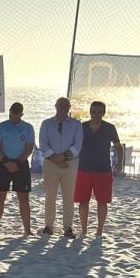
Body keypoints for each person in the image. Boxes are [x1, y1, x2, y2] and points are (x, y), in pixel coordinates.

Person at [74, 101, 123, 238]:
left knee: (102, 202)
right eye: (93, 111)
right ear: (90, 112)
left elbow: (118, 146)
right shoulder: (82, 127)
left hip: (103, 170)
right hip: (83, 169)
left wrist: (120, 163)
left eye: (99, 112)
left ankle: (99, 230)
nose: (96, 114)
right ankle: (84, 230)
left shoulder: (109, 128)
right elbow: (73, 145)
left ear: (103, 113)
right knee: (83, 201)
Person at [38, 97, 83, 238]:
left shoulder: (76, 124)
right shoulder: (46, 124)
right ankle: (49, 226)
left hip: (70, 163)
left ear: (69, 107)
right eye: (60, 105)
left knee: (68, 197)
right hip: (50, 163)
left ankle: (68, 227)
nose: (63, 107)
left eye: (65, 105)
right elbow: (43, 144)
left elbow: (77, 145)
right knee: (50, 196)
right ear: (55, 106)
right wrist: (55, 158)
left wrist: (63, 157)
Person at [0, 102, 35, 236]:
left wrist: (18, 163)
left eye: (16, 116)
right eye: (11, 116)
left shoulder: (28, 128)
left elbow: (29, 149)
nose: (13, 119)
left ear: (21, 114)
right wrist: (6, 162)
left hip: (21, 164)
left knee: (23, 198)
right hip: (3, 163)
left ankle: (27, 230)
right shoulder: (1, 126)